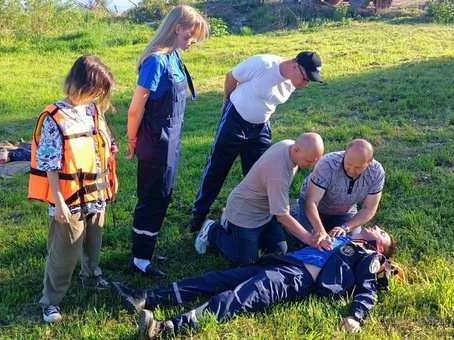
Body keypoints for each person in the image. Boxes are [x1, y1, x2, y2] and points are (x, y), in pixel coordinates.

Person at [112, 225, 396, 339]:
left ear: (381, 248)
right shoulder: (344, 235)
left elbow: (368, 287)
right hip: (281, 263)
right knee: (216, 279)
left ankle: (165, 328)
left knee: (237, 297)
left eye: (381, 233)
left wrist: (356, 315)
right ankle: (146, 297)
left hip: (295, 278)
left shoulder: (369, 256)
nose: (376, 228)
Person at [27, 55, 118, 323]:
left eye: (103, 90)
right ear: (81, 83)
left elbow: (103, 143)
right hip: (68, 197)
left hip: (95, 191)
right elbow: (49, 164)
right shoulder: (54, 117)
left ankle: (91, 276)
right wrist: (59, 202)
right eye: (97, 88)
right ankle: (50, 301)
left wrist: (110, 147)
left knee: (94, 243)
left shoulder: (92, 110)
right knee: (65, 250)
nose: (100, 94)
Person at [190, 51, 324, 232]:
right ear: (294, 66)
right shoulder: (263, 64)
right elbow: (231, 76)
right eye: (306, 79)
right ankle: (198, 216)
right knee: (217, 168)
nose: (306, 84)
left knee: (261, 173)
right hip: (235, 121)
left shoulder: (293, 81)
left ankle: (259, 217)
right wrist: (226, 100)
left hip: (260, 127)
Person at [125, 5, 209, 280]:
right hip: (155, 141)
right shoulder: (156, 62)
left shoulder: (174, 57)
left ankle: (145, 250)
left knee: (163, 195)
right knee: (152, 197)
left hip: (170, 140)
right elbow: (136, 108)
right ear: (177, 29)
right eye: (190, 36)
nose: (192, 42)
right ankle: (139, 259)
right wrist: (132, 139)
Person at [193, 132, 327, 267]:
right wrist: (309, 239)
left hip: (265, 211)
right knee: (248, 263)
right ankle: (212, 230)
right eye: (308, 161)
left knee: (278, 251)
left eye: (315, 160)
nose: (312, 166)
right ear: (296, 149)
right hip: (244, 214)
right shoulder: (278, 174)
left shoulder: (289, 144)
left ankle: (228, 220)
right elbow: (282, 217)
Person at [292, 139, 384, 244]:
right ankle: (293, 211)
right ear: (345, 153)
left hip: (345, 212)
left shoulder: (376, 172)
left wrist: (345, 228)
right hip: (315, 207)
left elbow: (369, 209)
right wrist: (320, 231)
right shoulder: (327, 164)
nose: (352, 170)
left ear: (370, 161)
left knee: (352, 243)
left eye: (358, 167)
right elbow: (311, 201)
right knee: (308, 241)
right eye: (348, 163)